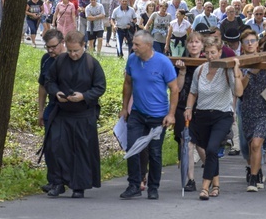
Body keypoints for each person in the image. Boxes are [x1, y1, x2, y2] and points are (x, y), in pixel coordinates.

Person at [44, 30, 106, 198]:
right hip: (62, 112)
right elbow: (49, 81)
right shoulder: (60, 61)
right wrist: (56, 93)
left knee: (81, 150)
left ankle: (79, 186)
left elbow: (100, 87)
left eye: (76, 51)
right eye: (70, 50)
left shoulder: (92, 64)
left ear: (83, 46)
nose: (72, 54)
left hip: (83, 115)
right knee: (56, 147)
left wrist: (84, 96)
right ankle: (57, 183)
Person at [120, 30, 179, 200]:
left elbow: (174, 89)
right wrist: (125, 108)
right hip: (137, 113)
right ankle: (134, 184)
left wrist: (171, 114)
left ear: (148, 45)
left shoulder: (163, 62)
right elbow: (127, 83)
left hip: (158, 116)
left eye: (137, 45)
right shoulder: (132, 60)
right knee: (132, 148)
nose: (133, 47)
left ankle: (153, 187)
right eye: (133, 44)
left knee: (155, 152)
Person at [184, 37, 243, 199]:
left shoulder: (226, 70)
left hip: (222, 116)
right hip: (202, 115)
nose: (210, 56)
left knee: (211, 149)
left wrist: (237, 74)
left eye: (213, 52)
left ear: (220, 52)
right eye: (207, 53)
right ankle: (216, 185)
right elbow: (193, 92)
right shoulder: (200, 70)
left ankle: (205, 188)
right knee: (207, 150)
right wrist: (189, 108)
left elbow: (238, 92)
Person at [238, 30, 266, 191]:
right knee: (249, 145)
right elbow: (240, 89)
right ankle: (257, 171)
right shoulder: (239, 63)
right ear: (243, 45)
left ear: (257, 43)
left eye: (253, 40)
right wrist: (250, 73)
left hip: (263, 107)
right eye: (247, 42)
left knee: (256, 143)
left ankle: (253, 179)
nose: (250, 44)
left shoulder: (264, 60)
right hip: (246, 107)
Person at [172, 32, 205, 192]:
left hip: (202, 107)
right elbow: (176, 89)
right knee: (187, 143)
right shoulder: (179, 62)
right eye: (191, 42)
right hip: (182, 106)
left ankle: (211, 172)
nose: (193, 45)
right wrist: (182, 72)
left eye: (197, 42)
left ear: (202, 45)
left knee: (202, 146)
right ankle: (190, 179)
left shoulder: (208, 62)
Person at [37, 29, 65, 193]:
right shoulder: (46, 60)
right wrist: (40, 110)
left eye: (54, 47)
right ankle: (53, 180)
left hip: (67, 109)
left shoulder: (70, 59)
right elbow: (42, 86)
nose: (51, 51)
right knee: (49, 145)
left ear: (62, 43)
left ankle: (61, 181)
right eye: (48, 47)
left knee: (60, 146)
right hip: (51, 107)